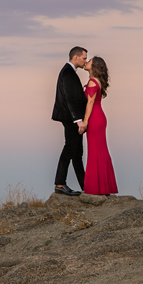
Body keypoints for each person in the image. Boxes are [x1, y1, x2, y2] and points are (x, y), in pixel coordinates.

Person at [52, 46, 87, 195]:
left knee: (77, 152)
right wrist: (78, 120)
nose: (85, 61)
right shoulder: (68, 73)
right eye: (84, 58)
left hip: (70, 117)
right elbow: (70, 98)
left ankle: (86, 186)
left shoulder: (68, 72)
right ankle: (60, 184)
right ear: (76, 58)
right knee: (70, 149)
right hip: (71, 118)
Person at [80, 56, 118, 195]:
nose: (86, 62)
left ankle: (95, 188)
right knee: (100, 151)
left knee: (95, 152)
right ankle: (103, 187)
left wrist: (85, 121)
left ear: (94, 65)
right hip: (99, 117)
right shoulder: (97, 81)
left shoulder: (92, 81)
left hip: (95, 118)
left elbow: (90, 103)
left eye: (89, 61)